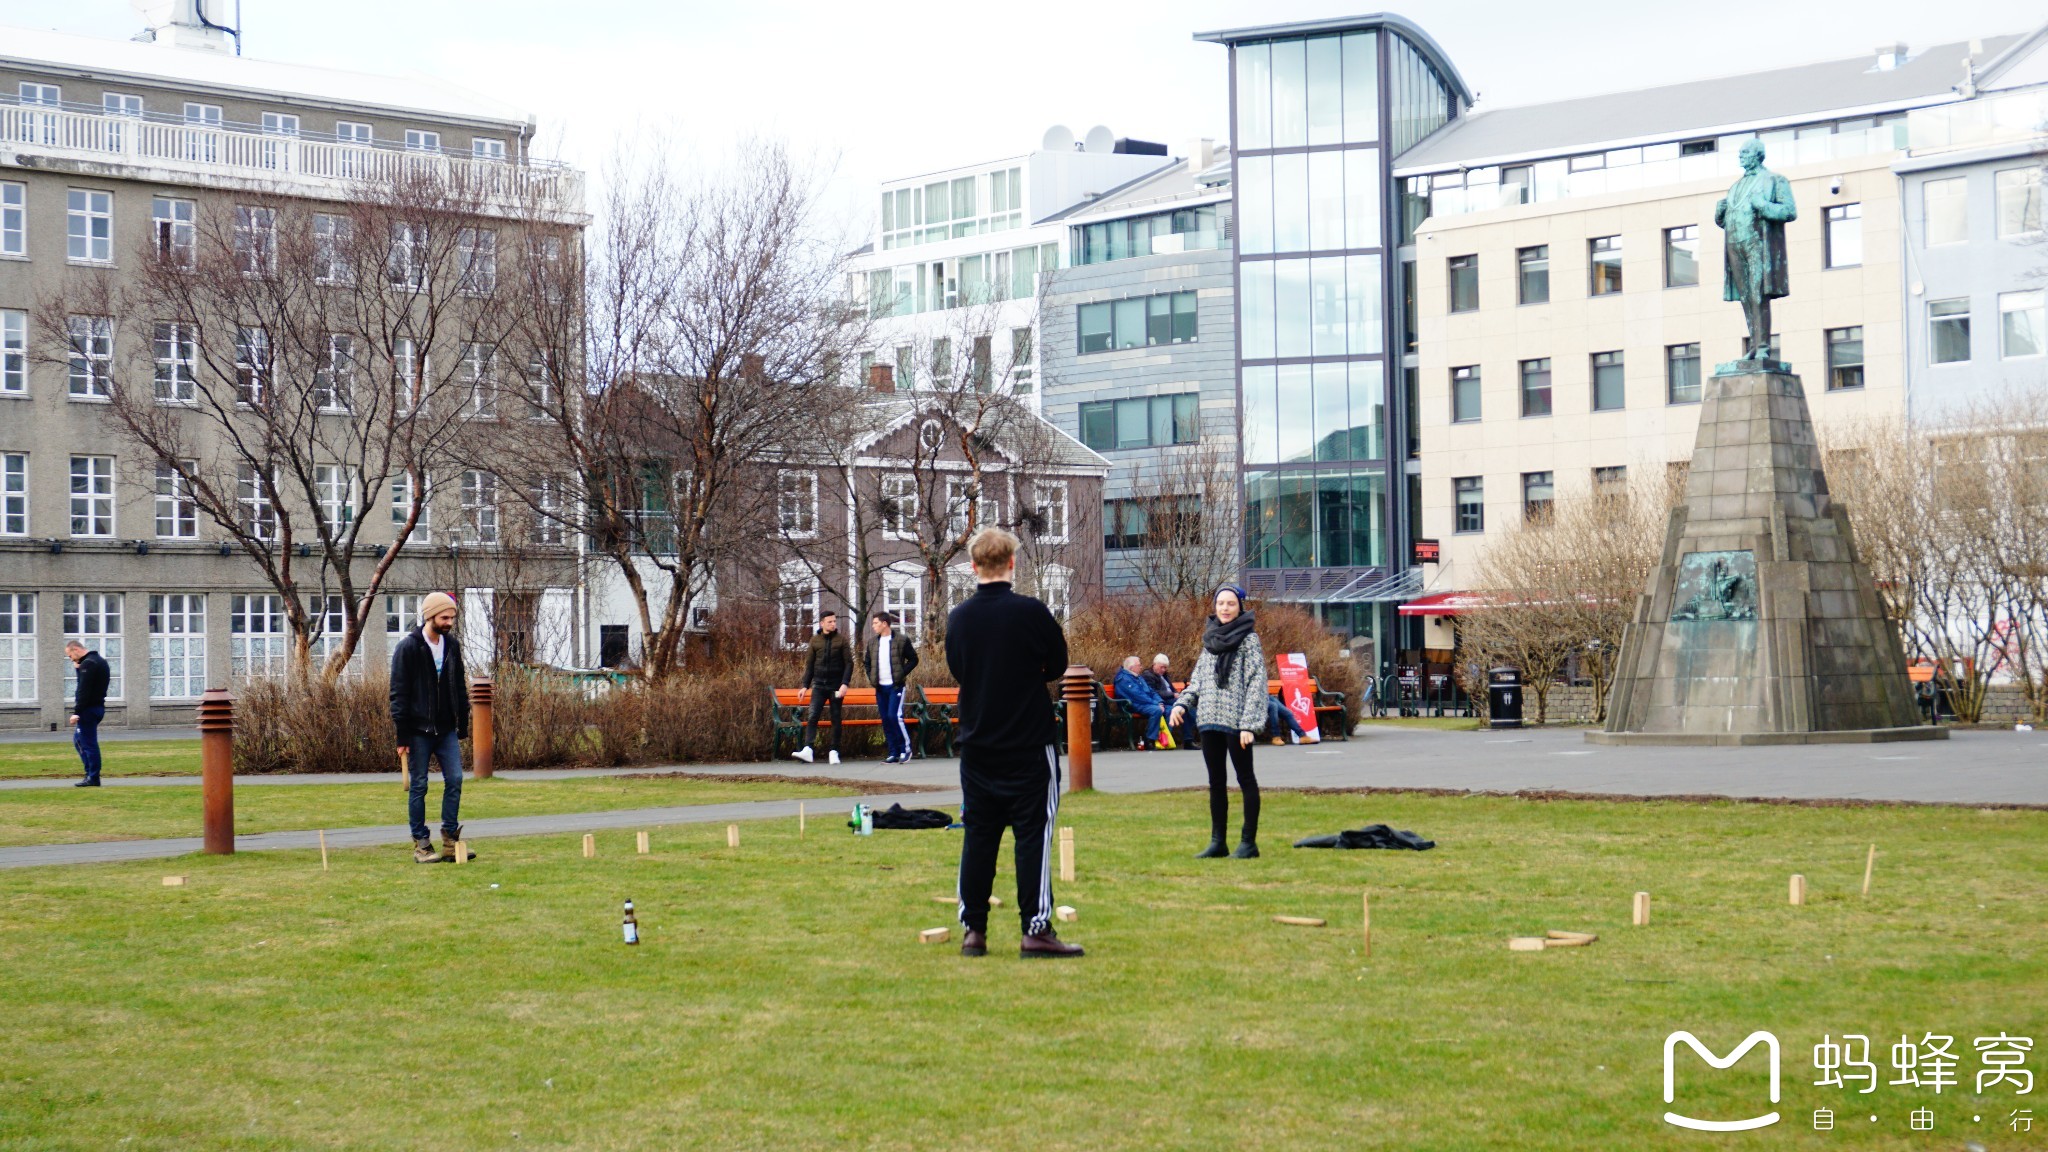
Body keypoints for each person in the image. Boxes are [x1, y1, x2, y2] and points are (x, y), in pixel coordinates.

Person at [945, 526, 1082, 959]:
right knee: (1033, 836)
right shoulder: (1032, 612)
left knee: (979, 837)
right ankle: (1035, 929)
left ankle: (974, 931)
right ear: (1012, 563)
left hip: (978, 742)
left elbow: (959, 669)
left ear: (972, 566)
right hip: (1028, 742)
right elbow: (1057, 664)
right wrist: (1025, 674)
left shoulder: (959, 618)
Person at [1169, 585, 1267, 859]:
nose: (1224, 608)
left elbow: (1256, 683)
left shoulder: (1249, 641)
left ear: (1240, 608)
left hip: (1237, 724)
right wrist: (1180, 704)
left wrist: (1249, 724)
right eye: (1220, 603)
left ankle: (1248, 843)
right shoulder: (1209, 640)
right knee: (1216, 782)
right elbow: (1197, 681)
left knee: (1245, 779)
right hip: (1209, 720)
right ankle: (1218, 842)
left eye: (1230, 604)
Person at [389, 591, 471, 864]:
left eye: (451, 617)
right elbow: (398, 694)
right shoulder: (409, 647)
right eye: (444, 617)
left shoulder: (452, 646)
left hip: (445, 729)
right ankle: (422, 844)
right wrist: (402, 734)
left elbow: (459, 686)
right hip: (417, 730)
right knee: (419, 786)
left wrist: (462, 724)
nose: (449, 622)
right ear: (430, 616)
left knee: (456, 780)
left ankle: (450, 840)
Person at [793, 609, 850, 765]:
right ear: (822, 623)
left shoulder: (841, 640)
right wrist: (805, 686)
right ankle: (808, 750)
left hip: (836, 686)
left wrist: (845, 683)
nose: (833, 624)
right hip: (818, 685)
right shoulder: (815, 641)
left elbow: (849, 664)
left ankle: (834, 751)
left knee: (836, 718)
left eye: (834, 621)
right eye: (830, 621)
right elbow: (809, 665)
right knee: (812, 716)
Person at [865, 610, 919, 764]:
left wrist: (901, 674)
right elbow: (867, 662)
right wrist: (871, 678)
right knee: (886, 720)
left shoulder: (901, 640)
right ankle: (893, 752)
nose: (873, 626)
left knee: (894, 717)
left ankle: (905, 749)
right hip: (880, 688)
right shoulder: (872, 642)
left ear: (884, 624)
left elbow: (914, 659)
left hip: (896, 686)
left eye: (875, 623)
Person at [65, 640, 110, 788]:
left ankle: (93, 777)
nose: (70, 659)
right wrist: (78, 669)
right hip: (97, 708)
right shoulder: (99, 661)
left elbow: (83, 690)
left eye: (70, 655)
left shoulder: (88, 664)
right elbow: (89, 684)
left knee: (88, 743)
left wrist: (76, 712)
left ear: (76, 649)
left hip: (88, 710)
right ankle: (90, 774)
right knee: (79, 741)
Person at [1113, 655, 1167, 749]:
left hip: (1142, 703)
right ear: (1131, 667)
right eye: (1139, 665)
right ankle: (1150, 740)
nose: (1141, 667)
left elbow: (1151, 691)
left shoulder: (1138, 677)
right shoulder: (1123, 679)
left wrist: (1160, 701)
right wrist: (1156, 704)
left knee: (1168, 709)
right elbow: (1137, 695)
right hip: (1131, 705)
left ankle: (1164, 741)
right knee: (1156, 710)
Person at [1143, 653, 1192, 747]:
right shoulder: (1148, 675)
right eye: (1162, 667)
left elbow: (1172, 689)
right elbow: (1153, 692)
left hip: (1171, 699)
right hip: (1163, 700)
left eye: (1165, 668)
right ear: (1154, 665)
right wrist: (1172, 694)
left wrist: (1178, 694)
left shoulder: (1164, 675)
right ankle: (1169, 739)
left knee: (1187, 708)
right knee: (1182, 708)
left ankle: (1188, 739)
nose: (1163, 670)